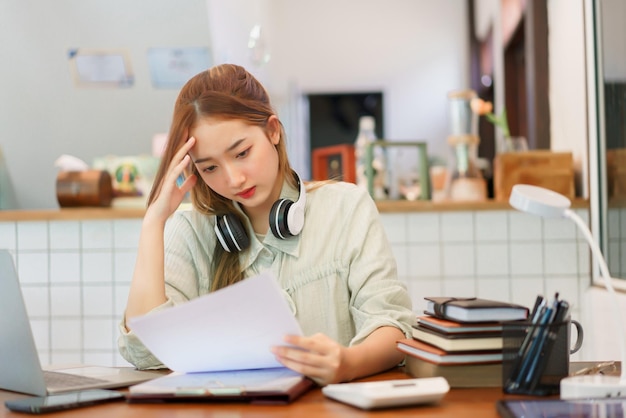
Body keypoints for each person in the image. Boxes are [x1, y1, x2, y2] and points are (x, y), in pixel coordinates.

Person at [118, 63, 415, 386]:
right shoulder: (190, 230)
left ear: (273, 130)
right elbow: (147, 354)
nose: (233, 179)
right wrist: (153, 222)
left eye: (242, 152)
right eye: (209, 168)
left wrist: (347, 363)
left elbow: (391, 323)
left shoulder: (346, 207)